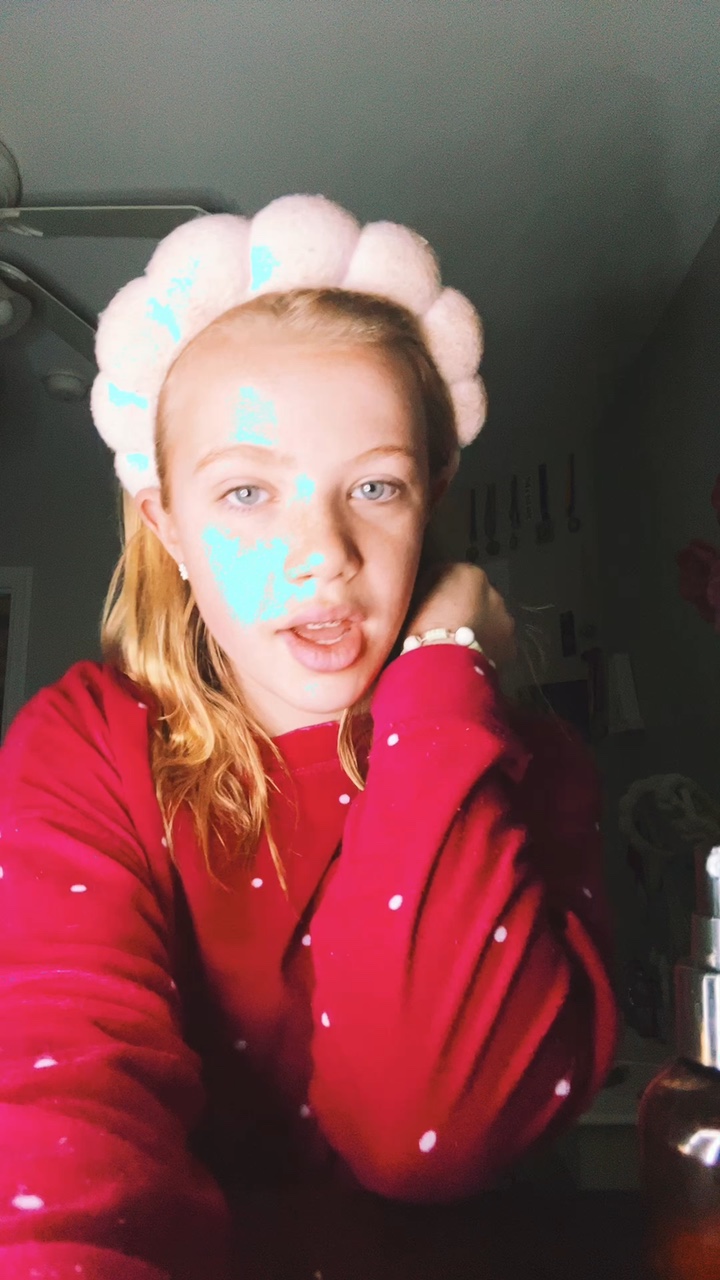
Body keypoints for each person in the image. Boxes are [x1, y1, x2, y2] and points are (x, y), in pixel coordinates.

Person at [0, 194, 619, 1279]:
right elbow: (56, 1116)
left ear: (430, 499)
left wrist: (443, 668)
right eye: (247, 491)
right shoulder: (84, 749)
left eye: (375, 486)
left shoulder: (528, 768)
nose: (324, 551)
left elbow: (430, 1128)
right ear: (168, 528)